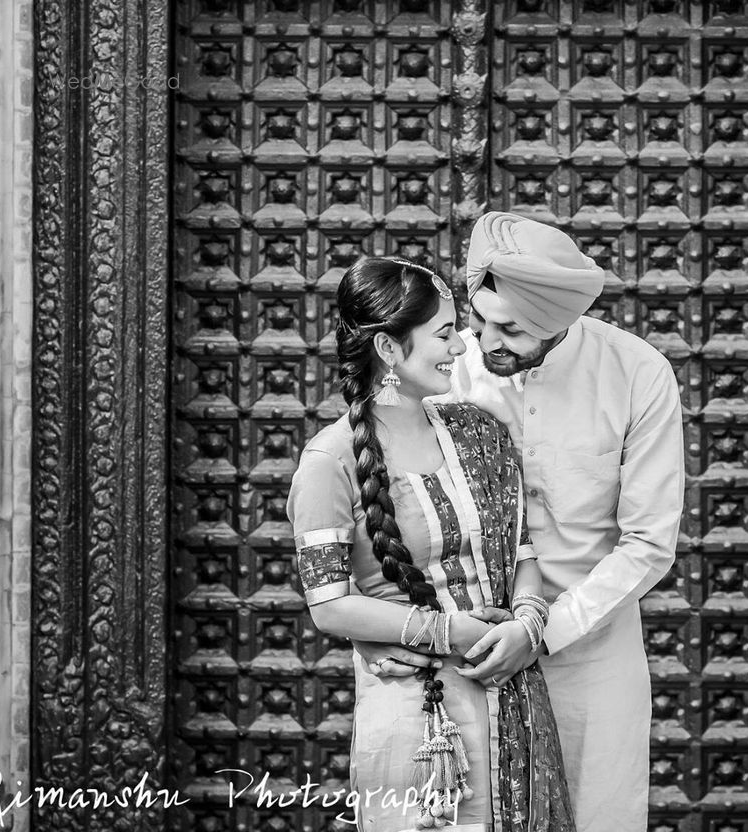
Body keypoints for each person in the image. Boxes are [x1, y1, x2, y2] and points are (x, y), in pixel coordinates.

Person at [285, 255, 576, 832]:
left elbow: (520, 554)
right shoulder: (329, 460)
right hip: (417, 716)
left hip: (510, 696)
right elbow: (328, 605)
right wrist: (447, 630)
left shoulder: (479, 431)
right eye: (444, 333)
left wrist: (526, 623)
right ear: (389, 350)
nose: (463, 348)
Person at [450, 211, 686, 832]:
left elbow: (648, 543)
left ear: (560, 323)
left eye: (511, 330)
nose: (485, 341)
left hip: (590, 658)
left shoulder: (636, 374)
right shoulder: (454, 363)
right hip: (463, 648)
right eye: (479, 320)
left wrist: (545, 630)